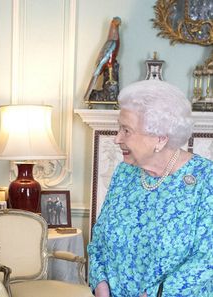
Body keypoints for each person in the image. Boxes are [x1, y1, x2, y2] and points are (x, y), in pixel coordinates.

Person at [87, 80, 213, 297]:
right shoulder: (124, 174)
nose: (117, 139)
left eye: (126, 130)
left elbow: (206, 260)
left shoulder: (205, 180)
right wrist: (101, 286)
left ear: (161, 139)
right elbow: (99, 238)